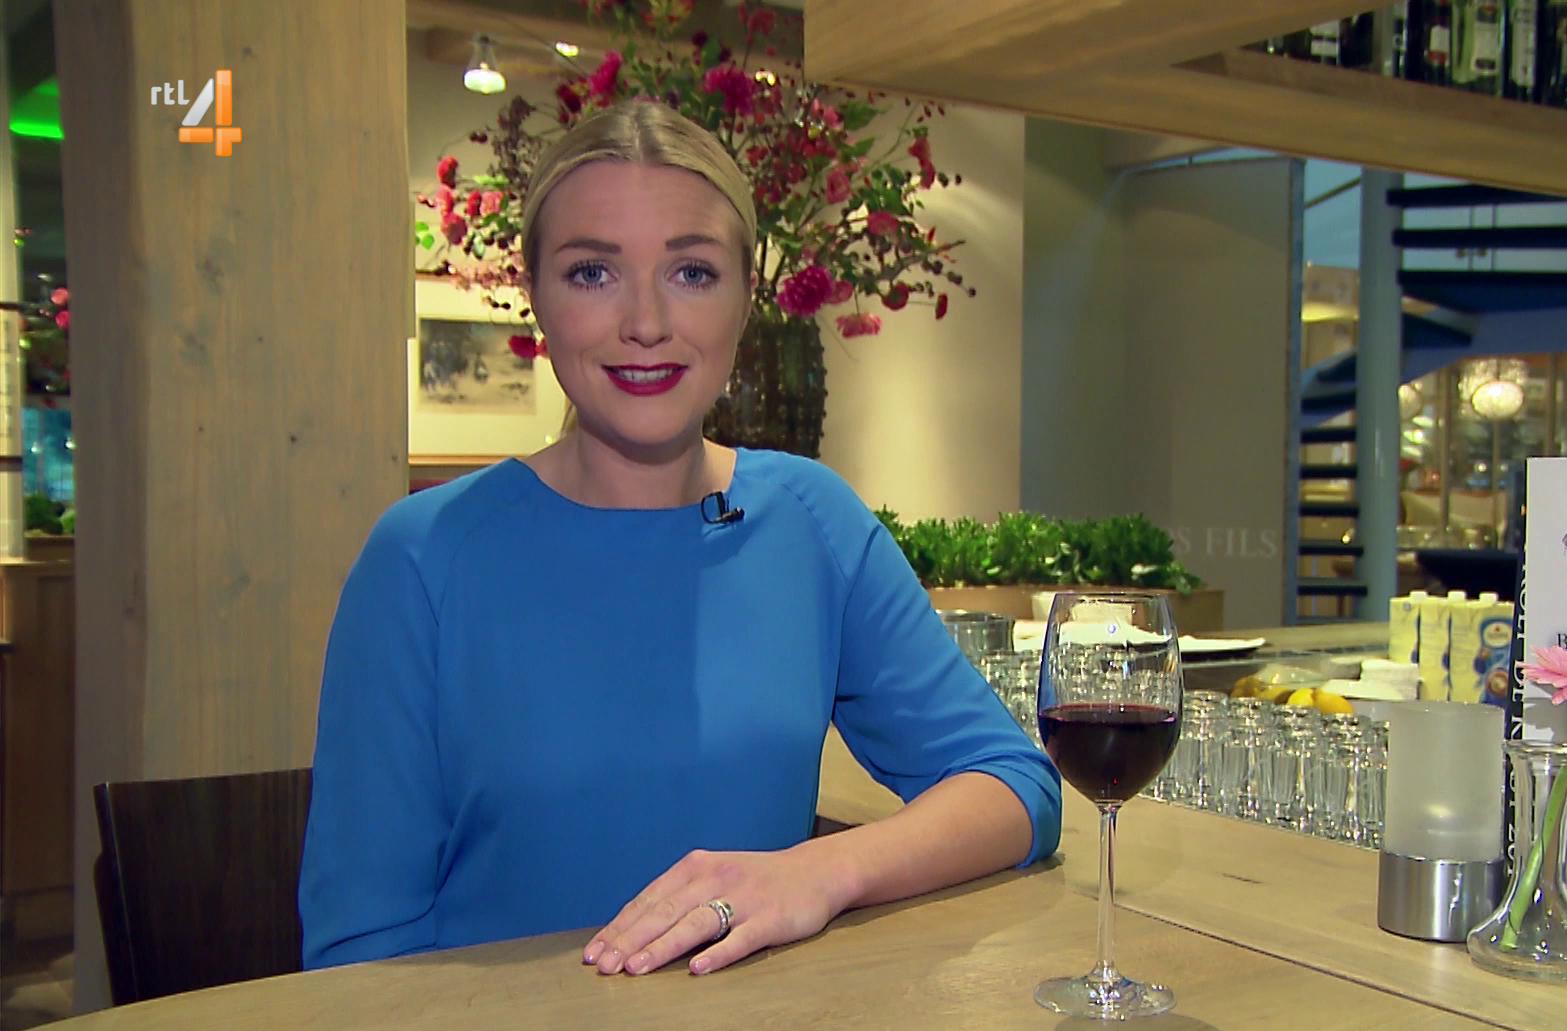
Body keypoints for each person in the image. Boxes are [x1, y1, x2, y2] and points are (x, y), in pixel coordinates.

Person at [299, 101, 1061, 977]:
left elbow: (1015, 786)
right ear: (536, 294)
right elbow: (357, 952)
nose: (646, 321)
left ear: (745, 299)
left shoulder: (813, 523)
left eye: (692, 272)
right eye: (592, 272)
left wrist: (820, 872)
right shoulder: (423, 558)